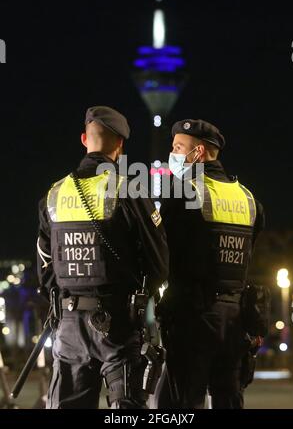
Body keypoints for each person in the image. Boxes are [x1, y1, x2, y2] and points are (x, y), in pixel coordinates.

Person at [37, 106, 169, 409]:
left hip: (68, 322)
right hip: (119, 323)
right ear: (120, 146)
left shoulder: (54, 194)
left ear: (84, 139)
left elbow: (45, 265)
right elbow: (159, 261)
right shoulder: (129, 190)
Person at [158, 118, 265, 409]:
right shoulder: (247, 198)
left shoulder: (182, 193)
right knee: (228, 398)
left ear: (199, 153)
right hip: (234, 320)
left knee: (180, 404)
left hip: (193, 318)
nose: (174, 154)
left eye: (179, 147)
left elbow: (162, 254)